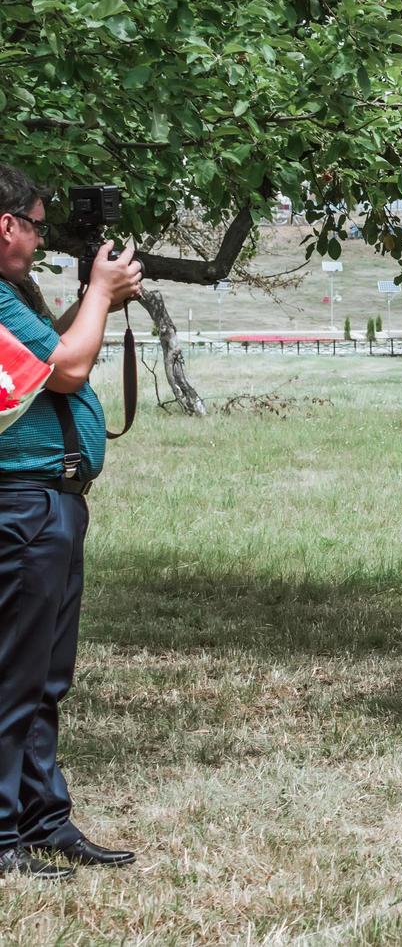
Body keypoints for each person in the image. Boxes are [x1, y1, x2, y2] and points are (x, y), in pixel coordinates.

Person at [0, 165, 142, 879]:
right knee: (12, 678)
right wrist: (98, 293)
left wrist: (98, 302)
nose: (37, 239)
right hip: (22, 505)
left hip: (48, 503)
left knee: (44, 679)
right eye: (35, 225)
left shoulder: (9, 293)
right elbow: (67, 370)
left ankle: (41, 820)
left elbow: (47, 356)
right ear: (7, 224)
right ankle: (3, 838)